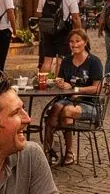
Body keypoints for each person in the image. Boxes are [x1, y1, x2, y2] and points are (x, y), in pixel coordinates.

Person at [42, 29, 104, 166]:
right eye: (71, 41)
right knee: (54, 109)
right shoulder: (66, 61)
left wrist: (76, 89)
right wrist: (59, 82)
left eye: (77, 41)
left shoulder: (94, 62)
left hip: (89, 104)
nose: (74, 44)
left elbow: (97, 88)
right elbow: (62, 82)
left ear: (85, 42)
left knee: (66, 112)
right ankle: (48, 150)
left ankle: (67, 151)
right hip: (67, 100)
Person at [36, 0, 79, 68]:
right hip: (63, 32)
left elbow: (39, 14)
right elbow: (76, 18)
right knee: (61, 60)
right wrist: (79, 32)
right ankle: (58, 82)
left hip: (47, 31)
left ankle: (43, 82)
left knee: (47, 60)